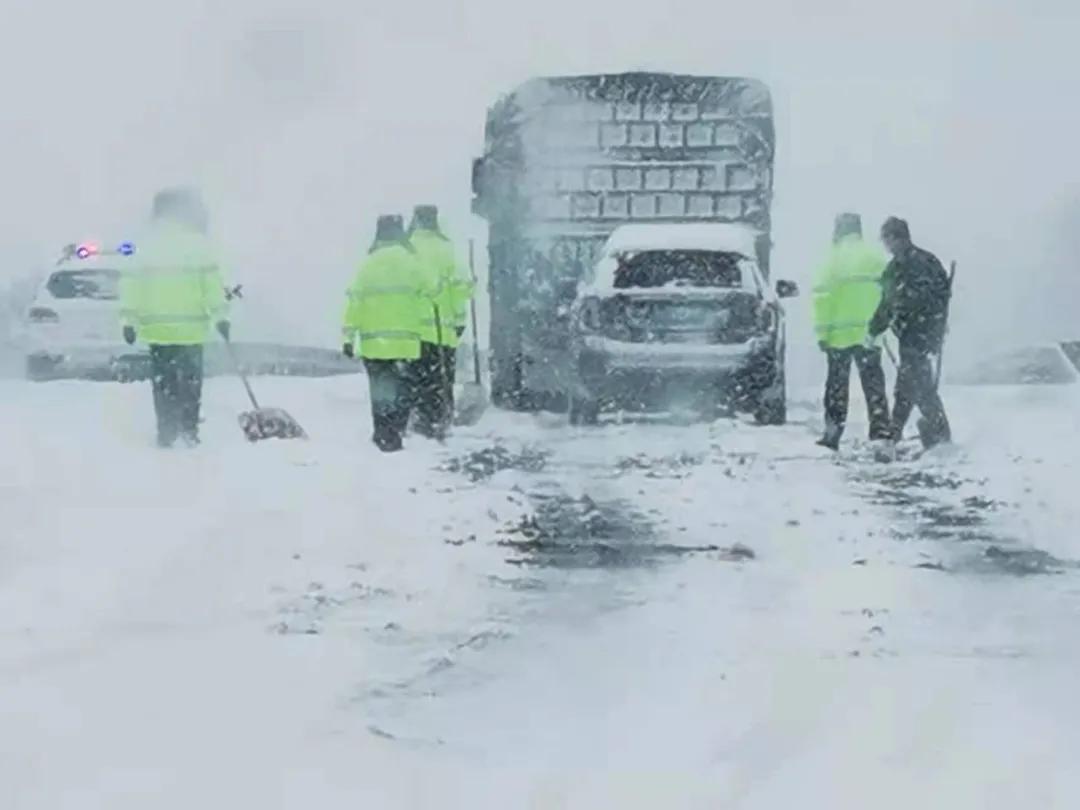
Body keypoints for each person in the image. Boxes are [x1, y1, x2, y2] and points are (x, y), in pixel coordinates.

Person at [119, 188, 229, 448]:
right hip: (191, 331)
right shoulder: (198, 246)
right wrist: (220, 317)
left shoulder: (146, 247)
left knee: (164, 383)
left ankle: (166, 431)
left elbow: (131, 286)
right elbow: (212, 287)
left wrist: (128, 321)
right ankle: (189, 430)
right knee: (190, 383)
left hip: (158, 331)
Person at [343, 214, 428, 453]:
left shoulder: (367, 266)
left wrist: (348, 338)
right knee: (403, 388)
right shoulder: (412, 263)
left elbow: (354, 304)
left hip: (374, 344)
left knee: (380, 390)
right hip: (405, 343)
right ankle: (397, 430)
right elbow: (430, 292)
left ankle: (383, 433)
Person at [868, 216, 952, 449]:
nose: (886, 245)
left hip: (920, 335)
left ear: (897, 238)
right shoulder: (905, 266)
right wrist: (875, 328)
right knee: (920, 387)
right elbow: (887, 305)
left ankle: (893, 435)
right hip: (913, 335)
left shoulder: (917, 264)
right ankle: (939, 434)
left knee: (908, 385)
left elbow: (935, 299)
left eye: (886, 239)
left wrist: (880, 326)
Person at [812, 213, 891, 450]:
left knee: (837, 386)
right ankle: (881, 430)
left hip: (839, 336)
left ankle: (833, 432)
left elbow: (822, 300)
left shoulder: (832, 260)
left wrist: (822, 335)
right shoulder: (875, 257)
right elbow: (888, 292)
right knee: (873, 383)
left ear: (839, 230)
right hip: (869, 333)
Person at [407, 204, 474, 437]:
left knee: (415, 379)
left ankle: (417, 421)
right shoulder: (447, 250)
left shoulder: (408, 249)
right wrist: (459, 321)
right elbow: (462, 288)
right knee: (440, 381)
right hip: (442, 331)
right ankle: (440, 420)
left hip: (412, 333)